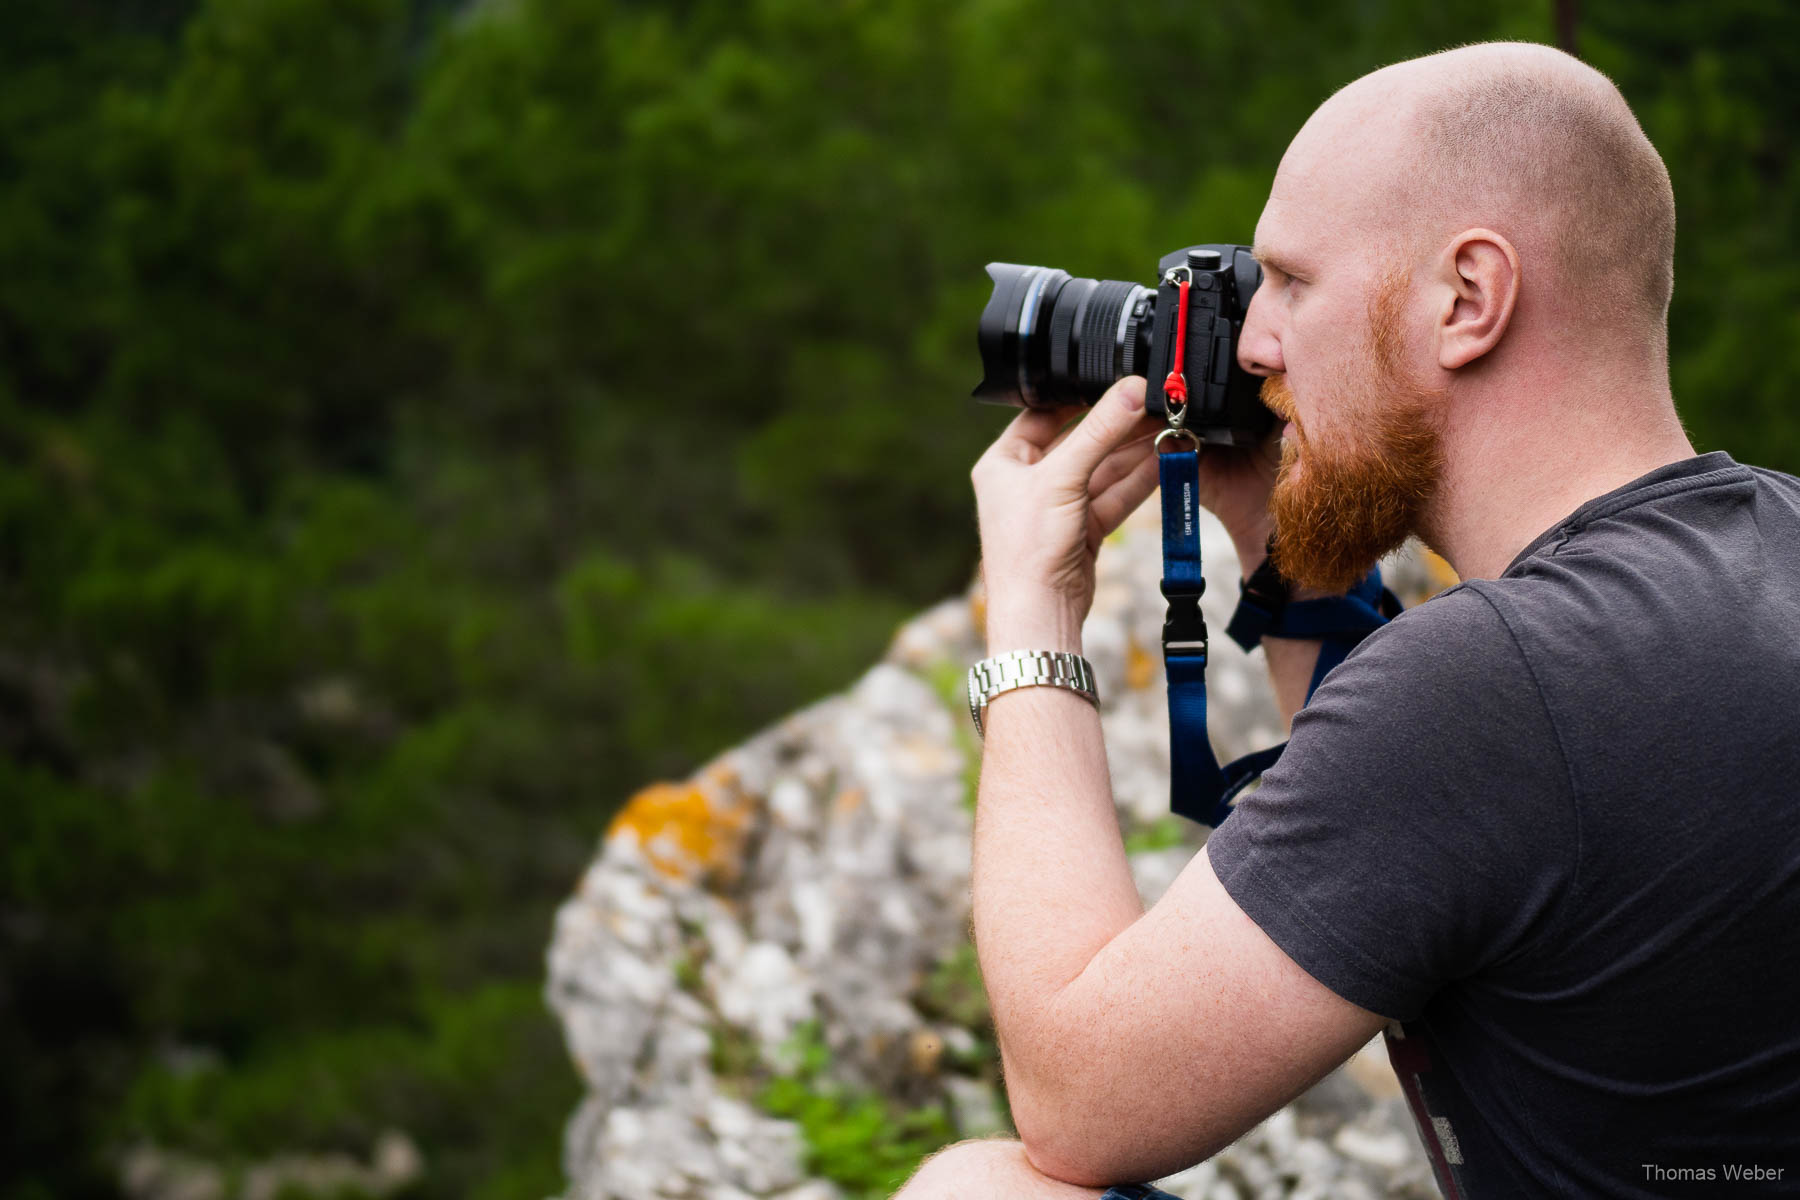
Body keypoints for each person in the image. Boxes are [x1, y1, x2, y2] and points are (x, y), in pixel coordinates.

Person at [895, 41, 1800, 1200]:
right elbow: (1435, 846)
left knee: (986, 1192)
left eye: (1291, 281)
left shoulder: (1501, 685)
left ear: (1467, 298)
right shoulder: (1752, 555)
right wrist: (1286, 544)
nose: (1257, 344)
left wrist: (1034, 604)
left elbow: (1081, 1104)